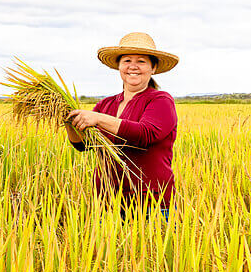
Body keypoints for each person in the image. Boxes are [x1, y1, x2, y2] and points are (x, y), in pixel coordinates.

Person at [64, 32, 179, 220]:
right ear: (119, 66)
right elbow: (84, 145)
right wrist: (69, 122)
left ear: (153, 67)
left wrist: (99, 119)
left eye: (141, 61)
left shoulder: (161, 100)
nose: (133, 67)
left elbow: (145, 134)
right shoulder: (106, 104)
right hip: (108, 204)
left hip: (152, 205)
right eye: (127, 61)